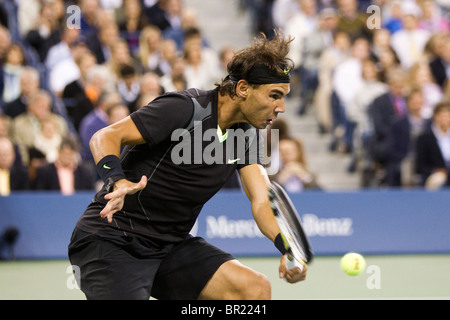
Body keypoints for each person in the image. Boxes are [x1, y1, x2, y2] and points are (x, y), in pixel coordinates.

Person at [68, 30, 307, 300]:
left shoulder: (247, 135)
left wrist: (288, 248)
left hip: (170, 247)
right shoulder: (184, 108)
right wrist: (118, 180)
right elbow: (105, 136)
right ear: (242, 89)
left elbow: (262, 201)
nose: (281, 107)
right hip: (112, 240)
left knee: (252, 291)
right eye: (274, 95)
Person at [415, 100, 450, 188]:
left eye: (447, 115)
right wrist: (435, 171)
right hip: (436, 175)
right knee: (437, 180)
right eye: (441, 115)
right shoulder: (425, 138)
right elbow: (420, 166)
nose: (444, 119)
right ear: (435, 117)